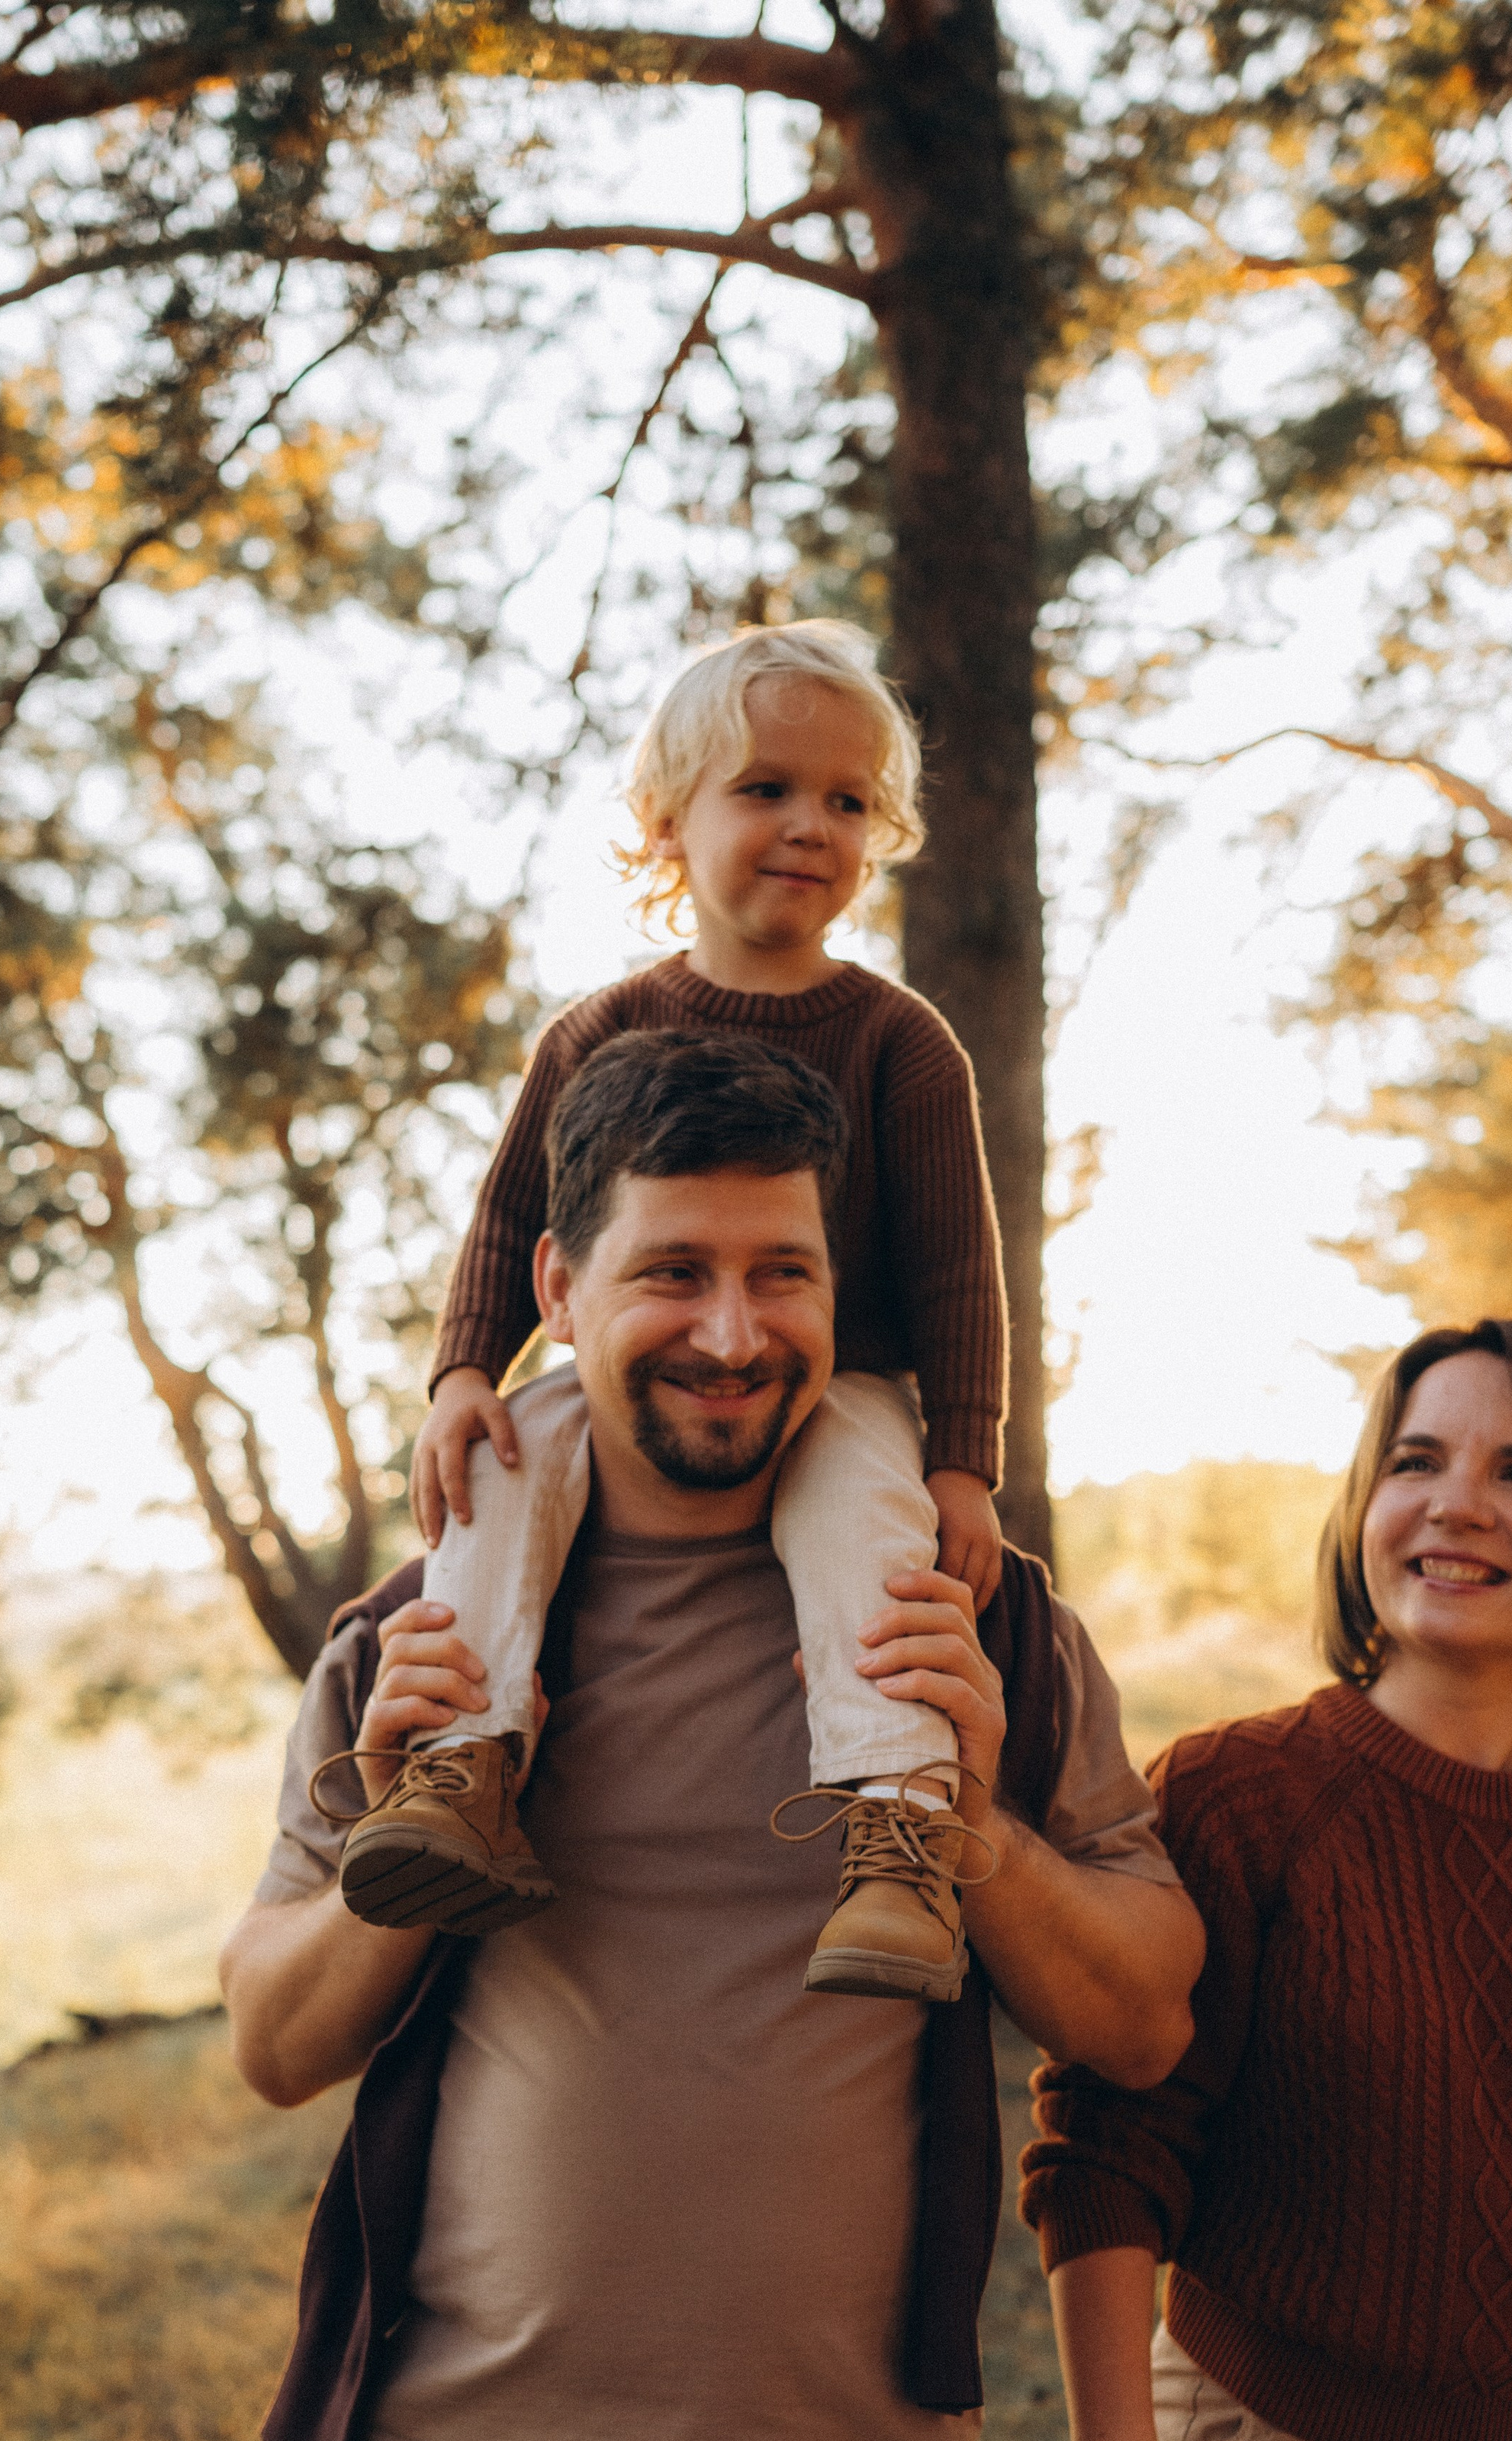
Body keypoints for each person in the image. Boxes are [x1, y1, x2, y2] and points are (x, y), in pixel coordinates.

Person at [220, 1032, 1202, 2441]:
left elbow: (1141, 2021)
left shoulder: (968, 1619)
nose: (734, 1334)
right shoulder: (420, 1636)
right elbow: (271, 2040)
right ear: (555, 1284)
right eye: (673, 1270)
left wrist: (978, 1825)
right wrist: (397, 1856)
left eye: (783, 1275)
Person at [336, 619, 1009, 2005]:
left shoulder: (903, 1044)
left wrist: (964, 1461)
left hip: (838, 1382)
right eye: (767, 788)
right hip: (633, 1386)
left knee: (870, 1535)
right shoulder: (598, 1033)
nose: (811, 825)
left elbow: (958, 1270)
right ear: (665, 823)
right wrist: (463, 1374)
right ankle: (463, 1771)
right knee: (503, 1459)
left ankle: (898, 1834)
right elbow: (511, 1216)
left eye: (848, 802)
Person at [1013, 1318, 1512, 2441]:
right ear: (1363, 1502)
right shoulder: (1242, 1798)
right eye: (1416, 1459)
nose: (1457, 1504)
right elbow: (1106, 2150)